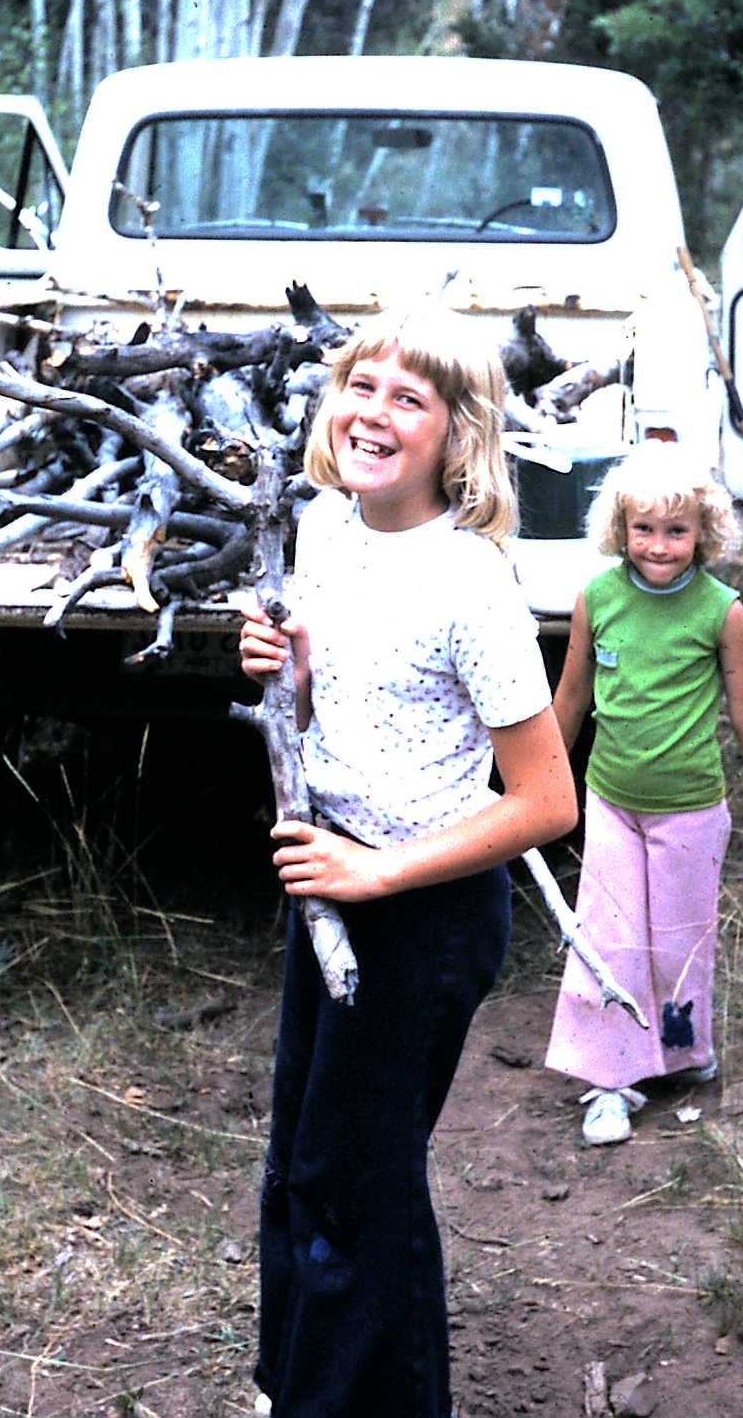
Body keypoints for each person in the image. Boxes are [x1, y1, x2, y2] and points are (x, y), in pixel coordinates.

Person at [236, 306, 578, 1418]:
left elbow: (544, 801)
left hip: (419, 912)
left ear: (456, 437)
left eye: (408, 398)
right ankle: (295, 1388)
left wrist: (378, 875)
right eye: (360, 385)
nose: (373, 413)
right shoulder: (327, 529)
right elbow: (324, 710)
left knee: (361, 1188)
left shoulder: (469, 583)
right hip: (328, 885)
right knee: (300, 1161)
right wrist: (282, 671)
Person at [543, 444, 743, 1145]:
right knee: (610, 938)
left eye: (676, 531)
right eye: (644, 529)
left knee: (677, 944)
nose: (658, 546)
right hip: (612, 803)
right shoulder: (597, 599)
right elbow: (570, 696)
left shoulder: (721, 611)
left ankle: (681, 1049)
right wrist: (533, 786)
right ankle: (610, 1081)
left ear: (704, 534)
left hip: (690, 810)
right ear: (620, 528)